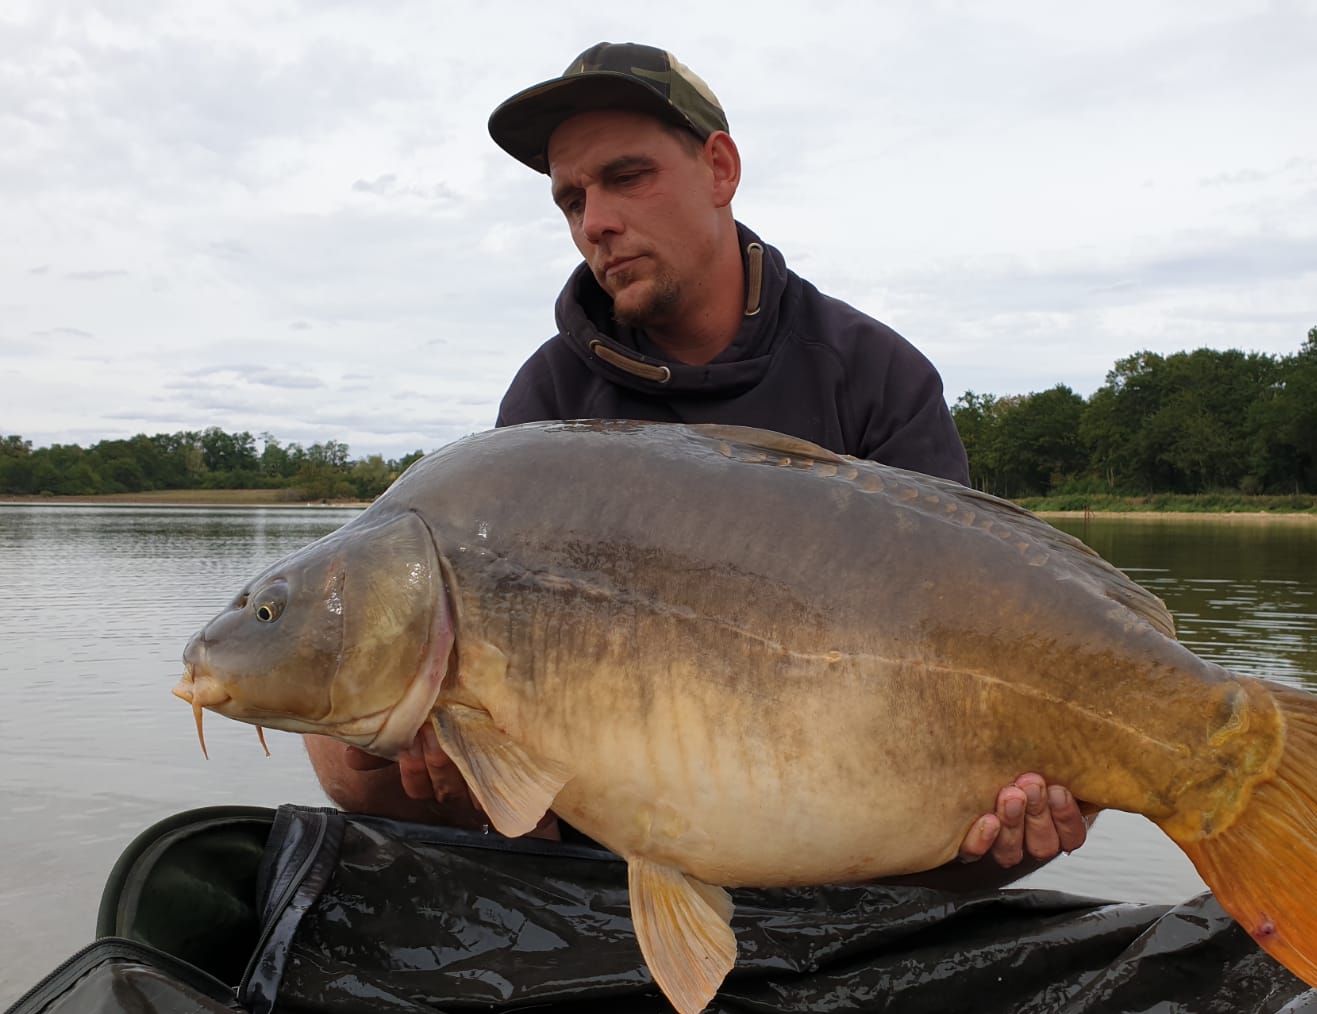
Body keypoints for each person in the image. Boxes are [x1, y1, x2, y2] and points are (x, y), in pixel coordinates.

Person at [306, 42, 1094, 879]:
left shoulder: (873, 377)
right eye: (571, 199)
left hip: (852, 796)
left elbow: (966, 621)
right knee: (344, 745)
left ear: (720, 168)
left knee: (1020, 810)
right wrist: (463, 772)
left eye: (626, 176)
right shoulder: (549, 401)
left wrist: (1011, 822)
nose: (595, 221)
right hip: (614, 827)